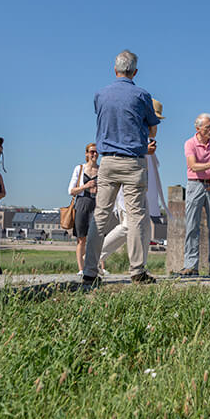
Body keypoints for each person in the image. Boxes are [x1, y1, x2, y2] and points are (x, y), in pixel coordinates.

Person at [82, 50, 161, 286]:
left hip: (107, 160)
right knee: (136, 217)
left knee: (101, 215)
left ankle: (89, 270)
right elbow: (152, 128)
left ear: (114, 69)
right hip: (133, 161)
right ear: (135, 71)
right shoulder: (142, 95)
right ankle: (137, 270)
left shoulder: (100, 95)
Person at [100, 99, 171, 273]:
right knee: (128, 226)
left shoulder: (144, 135)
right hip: (130, 187)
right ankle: (96, 256)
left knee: (143, 227)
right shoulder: (137, 134)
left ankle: (140, 266)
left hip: (141, 188)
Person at [179, 113, 210, 276]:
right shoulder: (189, 143)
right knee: (192, 226)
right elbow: (193, 166)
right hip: (195, 185)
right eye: (208, 127)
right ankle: (190, 265)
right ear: (198, 128)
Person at [68, 143, 99, 273]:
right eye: (92, 152)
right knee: (82, 239)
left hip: (97, 203)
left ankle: (98, 267)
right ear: (86, 154)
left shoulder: (102, 169)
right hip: (82, 203)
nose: (94, 154)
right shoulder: (79, 169)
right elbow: (71, 190)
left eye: (97, 152)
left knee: (97, 237)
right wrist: (85, 186)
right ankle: (81, 269)